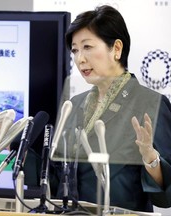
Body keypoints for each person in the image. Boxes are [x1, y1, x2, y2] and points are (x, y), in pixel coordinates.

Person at [51, 4, 171, 213]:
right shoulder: (74, 105)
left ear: (116, 48)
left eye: (87, 47)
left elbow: (166, 196)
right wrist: (13, 146)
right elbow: (55, 178)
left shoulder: (151, 104)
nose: (80, 59)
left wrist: (150, 158)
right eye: (75, 50)